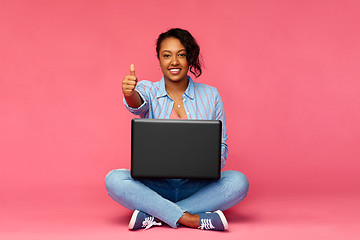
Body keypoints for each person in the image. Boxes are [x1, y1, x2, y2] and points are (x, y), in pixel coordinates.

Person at [105, 28, 249, 231]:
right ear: (159, 60)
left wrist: (210, 158)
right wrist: (130, 93)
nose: (174, 62)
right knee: (114, 179)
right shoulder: (148, 89)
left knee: (238, 182)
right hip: (156, 186)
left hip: (196, 187)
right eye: (167, 55)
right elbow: (137, 104)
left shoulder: (211, 95)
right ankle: (192, 219)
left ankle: (156, 215)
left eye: (181, 54)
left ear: (189, 58)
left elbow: (222, 147)